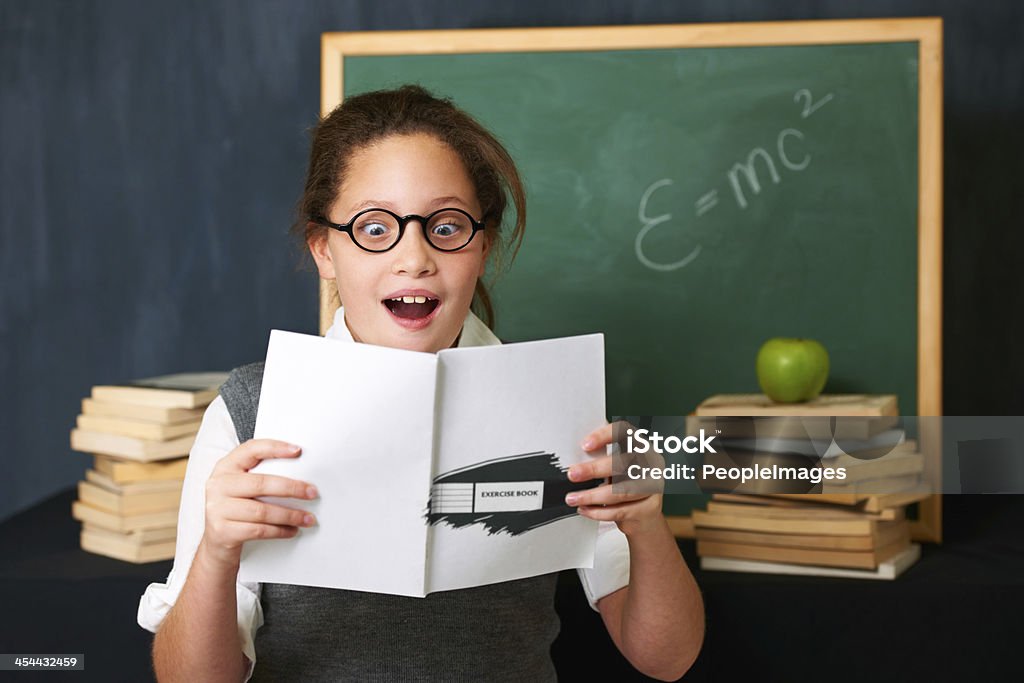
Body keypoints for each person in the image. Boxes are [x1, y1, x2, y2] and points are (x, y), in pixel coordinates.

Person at [138, 85, 704, 682]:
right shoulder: (251, 411)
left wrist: (645, 525)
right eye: (375, 228)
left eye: (446, 225)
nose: (414, 258)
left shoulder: (557, 403)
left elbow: (667, 659)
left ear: (481, 245)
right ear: (324, 249)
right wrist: (217, 555)